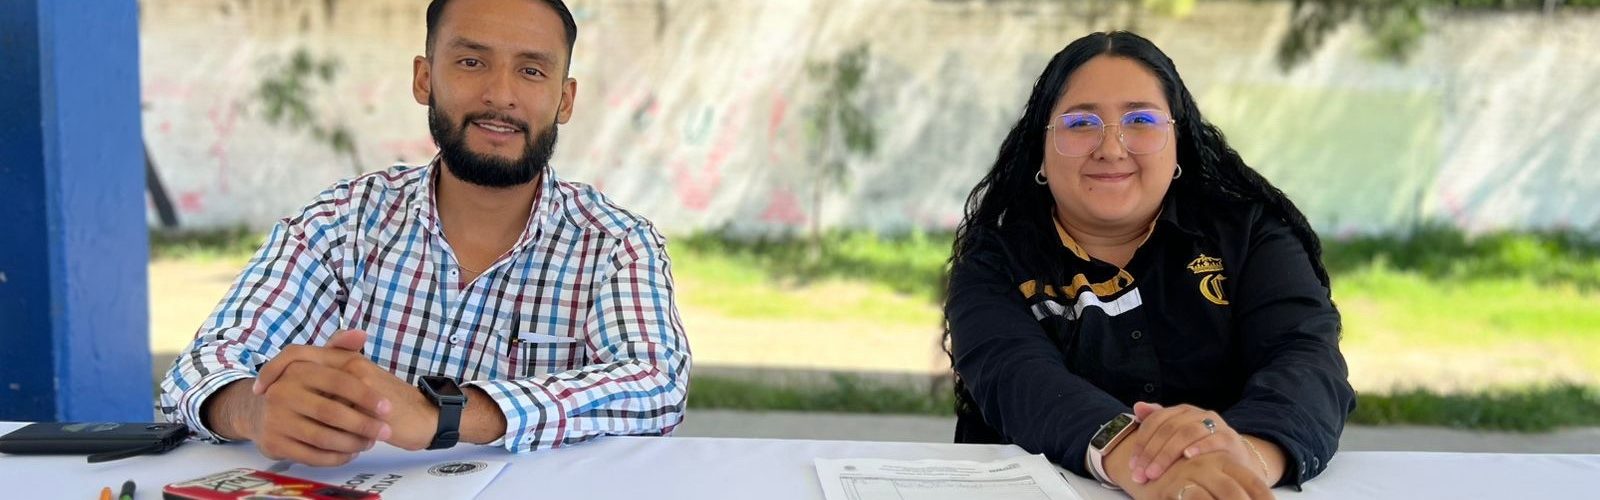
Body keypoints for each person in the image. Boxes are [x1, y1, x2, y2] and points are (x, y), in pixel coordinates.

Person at [158, 0, 690, 467]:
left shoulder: (615, 244)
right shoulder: (343, 221)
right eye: (471, 62)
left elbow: (657, 386)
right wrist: (254, 409)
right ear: (424, 78)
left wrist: (444, 414)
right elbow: (199, 368)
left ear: (565, 100)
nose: (500, 94)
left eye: (531, 71)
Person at [944, 31, 1354, 500]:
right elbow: (1020, 379)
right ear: (1042, 145)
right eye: (1080, 123)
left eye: (1140, 119)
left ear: (1179, 140)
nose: (1111, 148)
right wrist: (1147, 465)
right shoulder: (993, 261)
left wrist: (1242, 459)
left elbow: (1305, 360)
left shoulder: (1253, 238)